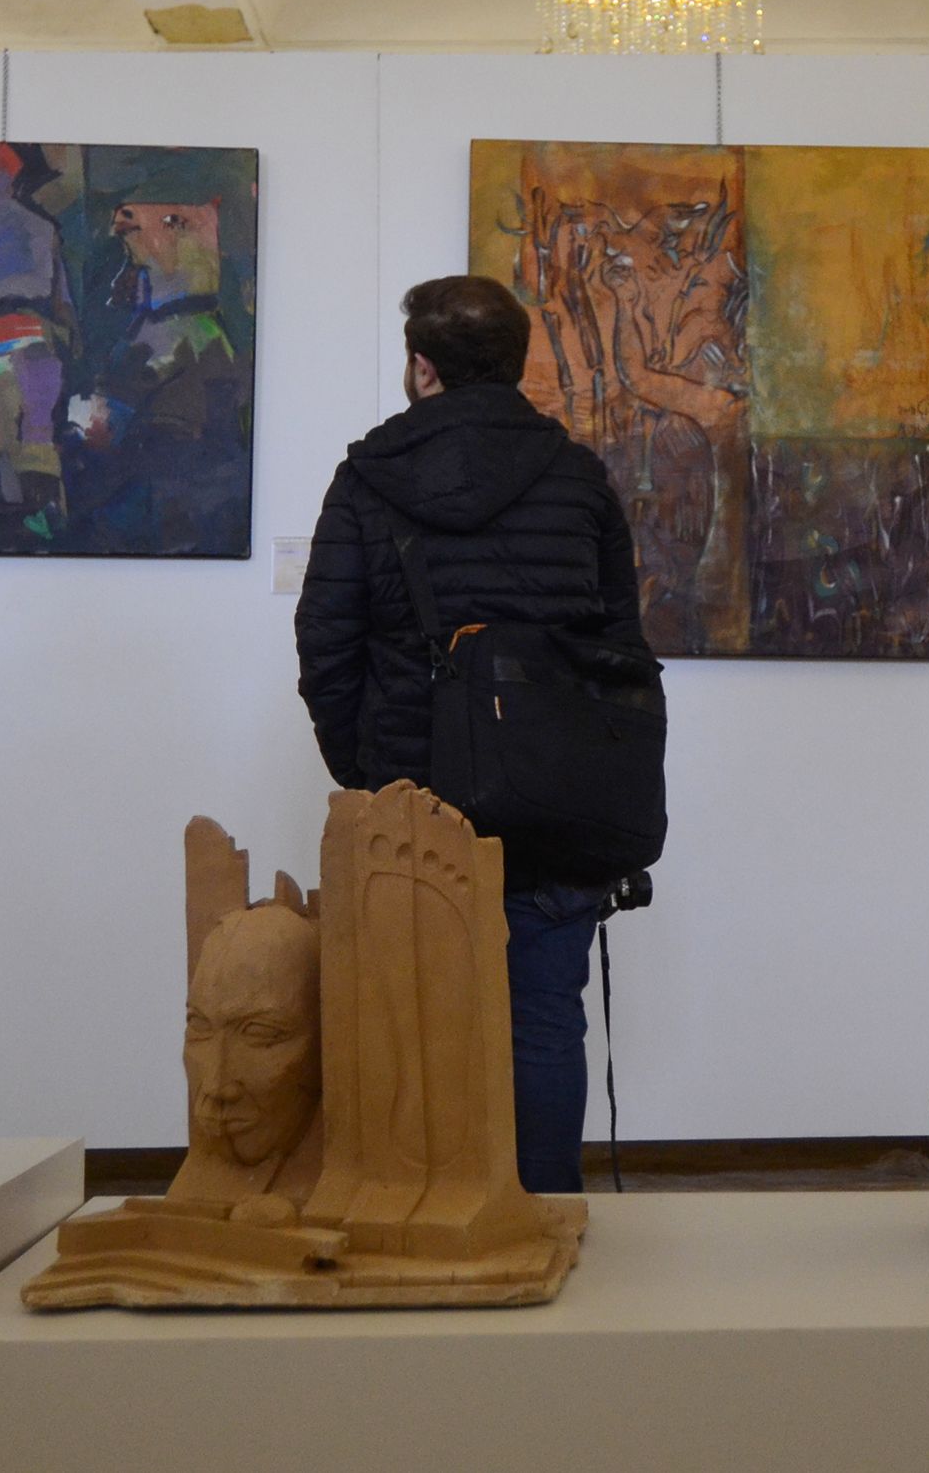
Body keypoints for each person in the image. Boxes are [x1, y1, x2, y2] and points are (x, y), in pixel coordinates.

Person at [294, 274, 648, 1193]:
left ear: (421, 368)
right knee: (543, 1022)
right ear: (519, 363)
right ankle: (546, 1226)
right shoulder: (577, 477)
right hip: (554, 799)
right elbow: (621, 649)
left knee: (412, 1022)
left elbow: (326, 648)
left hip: (414, 800)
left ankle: (431, 1222)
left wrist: (374, 776)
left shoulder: (366, 479)